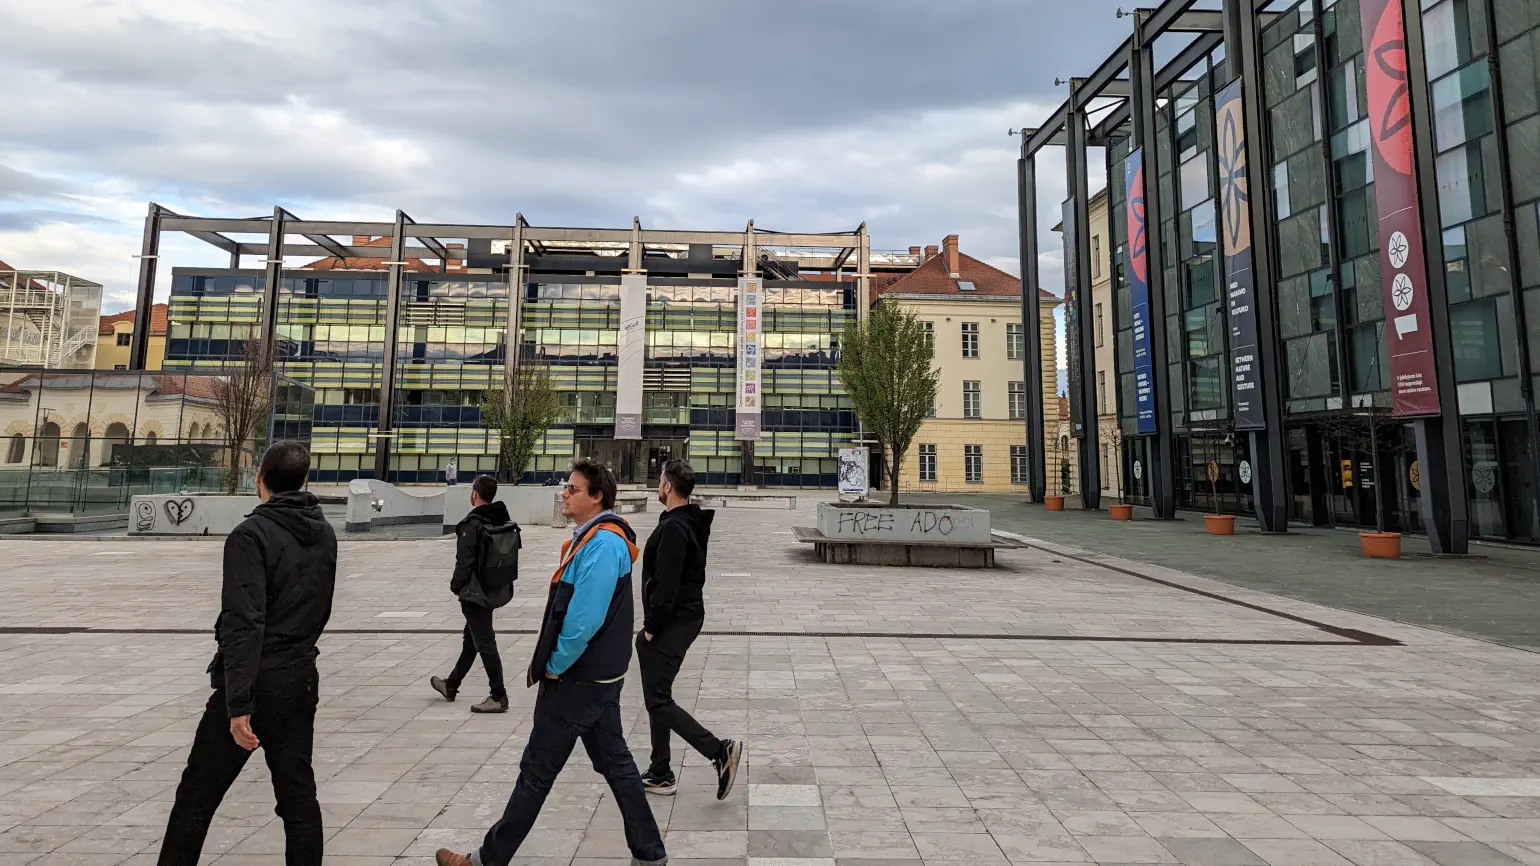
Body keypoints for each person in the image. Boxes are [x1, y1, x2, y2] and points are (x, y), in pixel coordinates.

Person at [436, 458, 666, 866]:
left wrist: (557, 664)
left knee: (536, 773)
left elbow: (584, 619)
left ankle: (488, 860)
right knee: (617, 766)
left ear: (597, 498)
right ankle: (650, 853)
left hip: (578, 680)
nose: (564, 493)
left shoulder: (603, 543)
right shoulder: (595, 537)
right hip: (599, 679)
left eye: (573, 489)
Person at [158, 441, 337, 866]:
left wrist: (238, 704)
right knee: (298, 801)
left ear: (260, 477)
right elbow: (320, 607)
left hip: (256, 683)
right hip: (299, 679)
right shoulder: (324, 533)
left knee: (196, 798)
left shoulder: (250, 535)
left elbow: (244, 622)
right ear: (304, 481)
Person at [637, 460, 741, 799]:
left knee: (658, 699)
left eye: (660, 481)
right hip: (682, 617)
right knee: (658, 696)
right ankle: (660, 770)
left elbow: (667, 584)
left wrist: (652, 627)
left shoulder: (674, 528)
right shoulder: (684, 523)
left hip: (674, 620)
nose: (657, 486)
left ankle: (718, 751)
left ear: (668, 487)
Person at [431, 474, 518, 713]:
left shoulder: (472, 524)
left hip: (474, 593)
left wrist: (456, 586)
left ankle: (499, 695)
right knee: (473, 640)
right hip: (494, 587)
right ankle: (451, 684)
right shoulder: (501, 519)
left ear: (475, 494)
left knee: (485, 642)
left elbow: (464, 562)